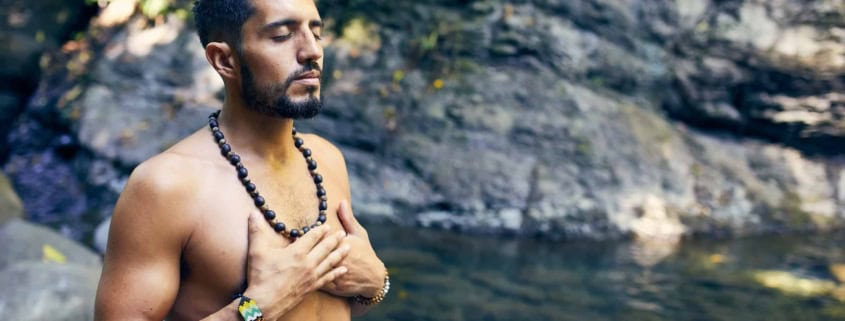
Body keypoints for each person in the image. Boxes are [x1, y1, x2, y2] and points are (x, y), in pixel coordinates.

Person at [94, 0, 388, 320]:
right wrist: (256, 307)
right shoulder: (167, 187)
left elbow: (329, 305)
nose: (311, 51)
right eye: (282, 36)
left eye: (316, 33)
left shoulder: (327, 159)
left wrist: (376, 283)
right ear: (225, 60)